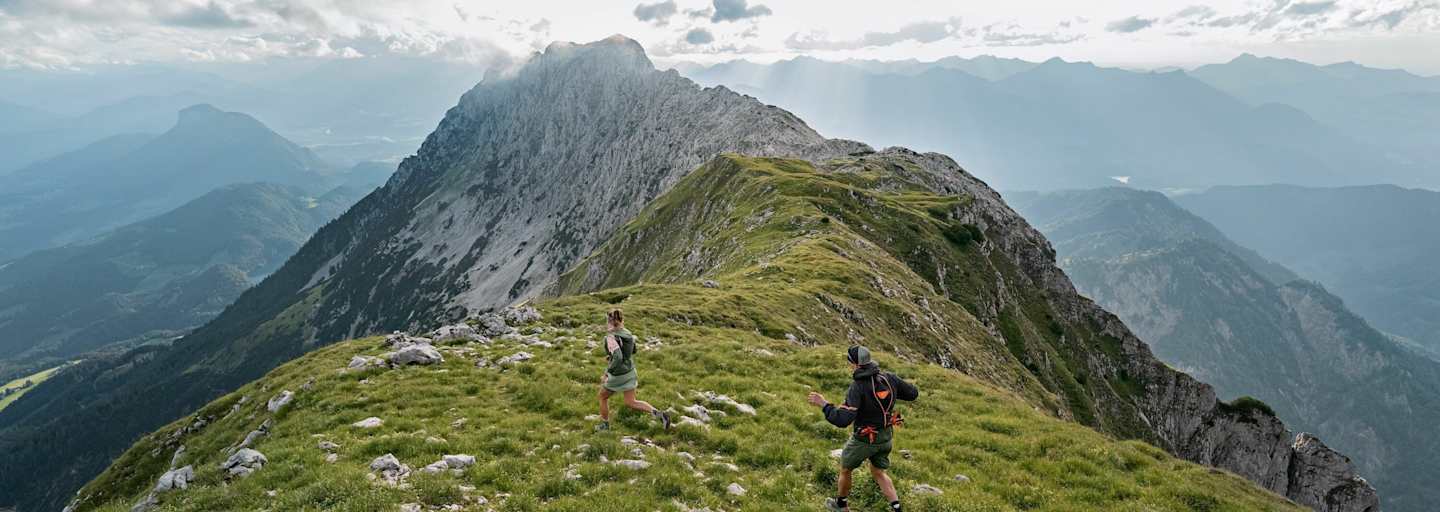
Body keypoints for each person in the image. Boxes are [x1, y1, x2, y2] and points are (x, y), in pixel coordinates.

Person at [807, 346, 919, 512]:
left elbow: (843, 420)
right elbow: (912, 393)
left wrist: (824, 404)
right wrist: (890, 392)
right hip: (886, 437)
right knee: (879, 472)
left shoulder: (858, 387)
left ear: (856, 365)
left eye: (849, 362)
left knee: (845, 469)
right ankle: (897, 509)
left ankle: (841, 506)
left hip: (865, 439)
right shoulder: (889, 378)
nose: (849, 365)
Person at [596, 309, 671, 431]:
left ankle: (605, 425)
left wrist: (606, 373)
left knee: (602, 397)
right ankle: (660, 414)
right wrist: (613, 355)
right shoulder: (627, 333)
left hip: (618, 374)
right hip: (630, 371)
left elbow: (619, 357)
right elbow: (633, 350)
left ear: (609, 322)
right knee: (631, 402)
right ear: (622, 320)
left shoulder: (611, 337)